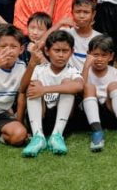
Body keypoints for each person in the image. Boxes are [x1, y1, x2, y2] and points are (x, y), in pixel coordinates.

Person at [18, 29, 84, 157]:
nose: (61, 55)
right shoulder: (39, 69)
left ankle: (57, 136)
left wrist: (45, 90)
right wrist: (31, 65)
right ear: (47, 51)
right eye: (57, 50)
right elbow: (22, 88)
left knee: (68, 84)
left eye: (65, 51)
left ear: (72, 52)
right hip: (40, 118)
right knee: (34, 85)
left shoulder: (72, 70)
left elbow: (79, 86)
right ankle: (38, 137)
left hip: (63, 121)